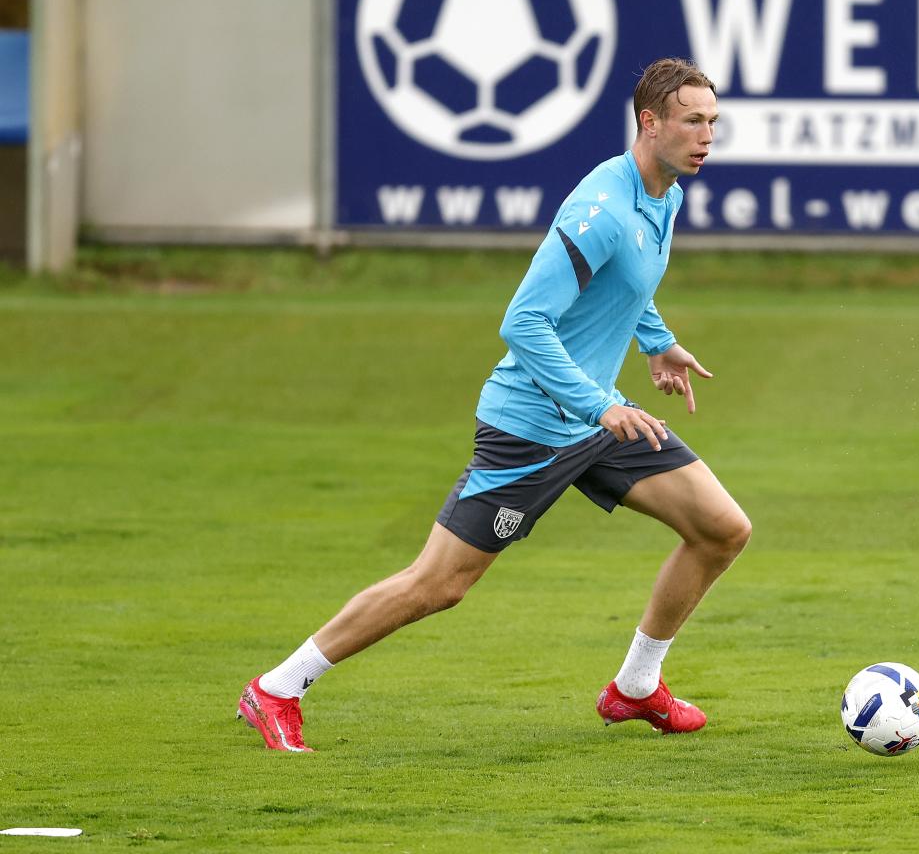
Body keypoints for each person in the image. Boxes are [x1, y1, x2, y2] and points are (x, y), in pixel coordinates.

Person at [236, 57, 752, 752]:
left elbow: (622, 285)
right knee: (439, 584)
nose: (707, 135)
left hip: (595, 417)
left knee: (722, 528)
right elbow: (525, 322)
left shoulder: (664, 193)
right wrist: (599, 405)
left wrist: (658, 343)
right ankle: (278, 687)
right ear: (649, 122)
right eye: (693, 120)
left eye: (713, 121)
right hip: (534, 427)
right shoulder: (601, 208)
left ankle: (634, 689)